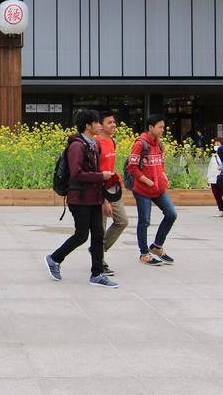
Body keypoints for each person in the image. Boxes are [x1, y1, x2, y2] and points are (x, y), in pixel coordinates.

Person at [45, 109, 118, 288]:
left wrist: (104, 197)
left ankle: (97, 274)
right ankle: (54, 258)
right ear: (88, 125)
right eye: (97, 123)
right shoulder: (77, 146)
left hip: (93, 197)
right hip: (79, 198)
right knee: (81, 235)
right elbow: (77, 173)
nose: (100, 126)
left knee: (98, 234)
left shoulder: (92, 144)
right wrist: (102, 176)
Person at [128, 114, 179, 266]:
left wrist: (163, 176)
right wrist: (147, 181)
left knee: (171, 214)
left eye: (163, 127)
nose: (163, 130)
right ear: (151, 128)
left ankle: (157, 246)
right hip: (143, 189)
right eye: (160, 127)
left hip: (158, 188)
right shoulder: (140, 144)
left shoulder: (160, 144)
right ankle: (144, 254)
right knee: (144, 221)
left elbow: (161, 164)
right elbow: (132, 168)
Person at [96, 111, 127, 274]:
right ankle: (99, 260)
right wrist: (104, 200)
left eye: (114, 122)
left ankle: (98, 250)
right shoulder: (96, 144)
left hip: (113, 188)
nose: (114, 125)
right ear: (100, 125)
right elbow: (96, 171)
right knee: (100, 227)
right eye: (110, 122)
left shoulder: (112, 141)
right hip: (100, 191)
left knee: (122, 221)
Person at [205, 137, 223, 217]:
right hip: (213, 179)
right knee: (217, 195)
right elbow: (210, 167)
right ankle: (221, 210)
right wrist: (208, 178)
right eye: (215, 144)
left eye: (218, 144)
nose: (215, 145)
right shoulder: (214, 156)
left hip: (221, 178)